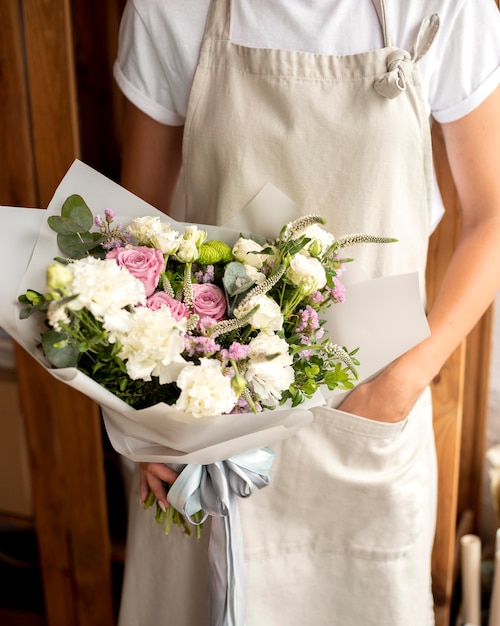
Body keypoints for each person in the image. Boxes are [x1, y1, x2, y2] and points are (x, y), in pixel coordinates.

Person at [113, 1, 500, 624]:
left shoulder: (443, 8)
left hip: (368, 408)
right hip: (206, 419)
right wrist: (142, 409)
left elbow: (492, 218)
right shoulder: (169, 9)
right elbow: (136, 227)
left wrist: (400, 386)